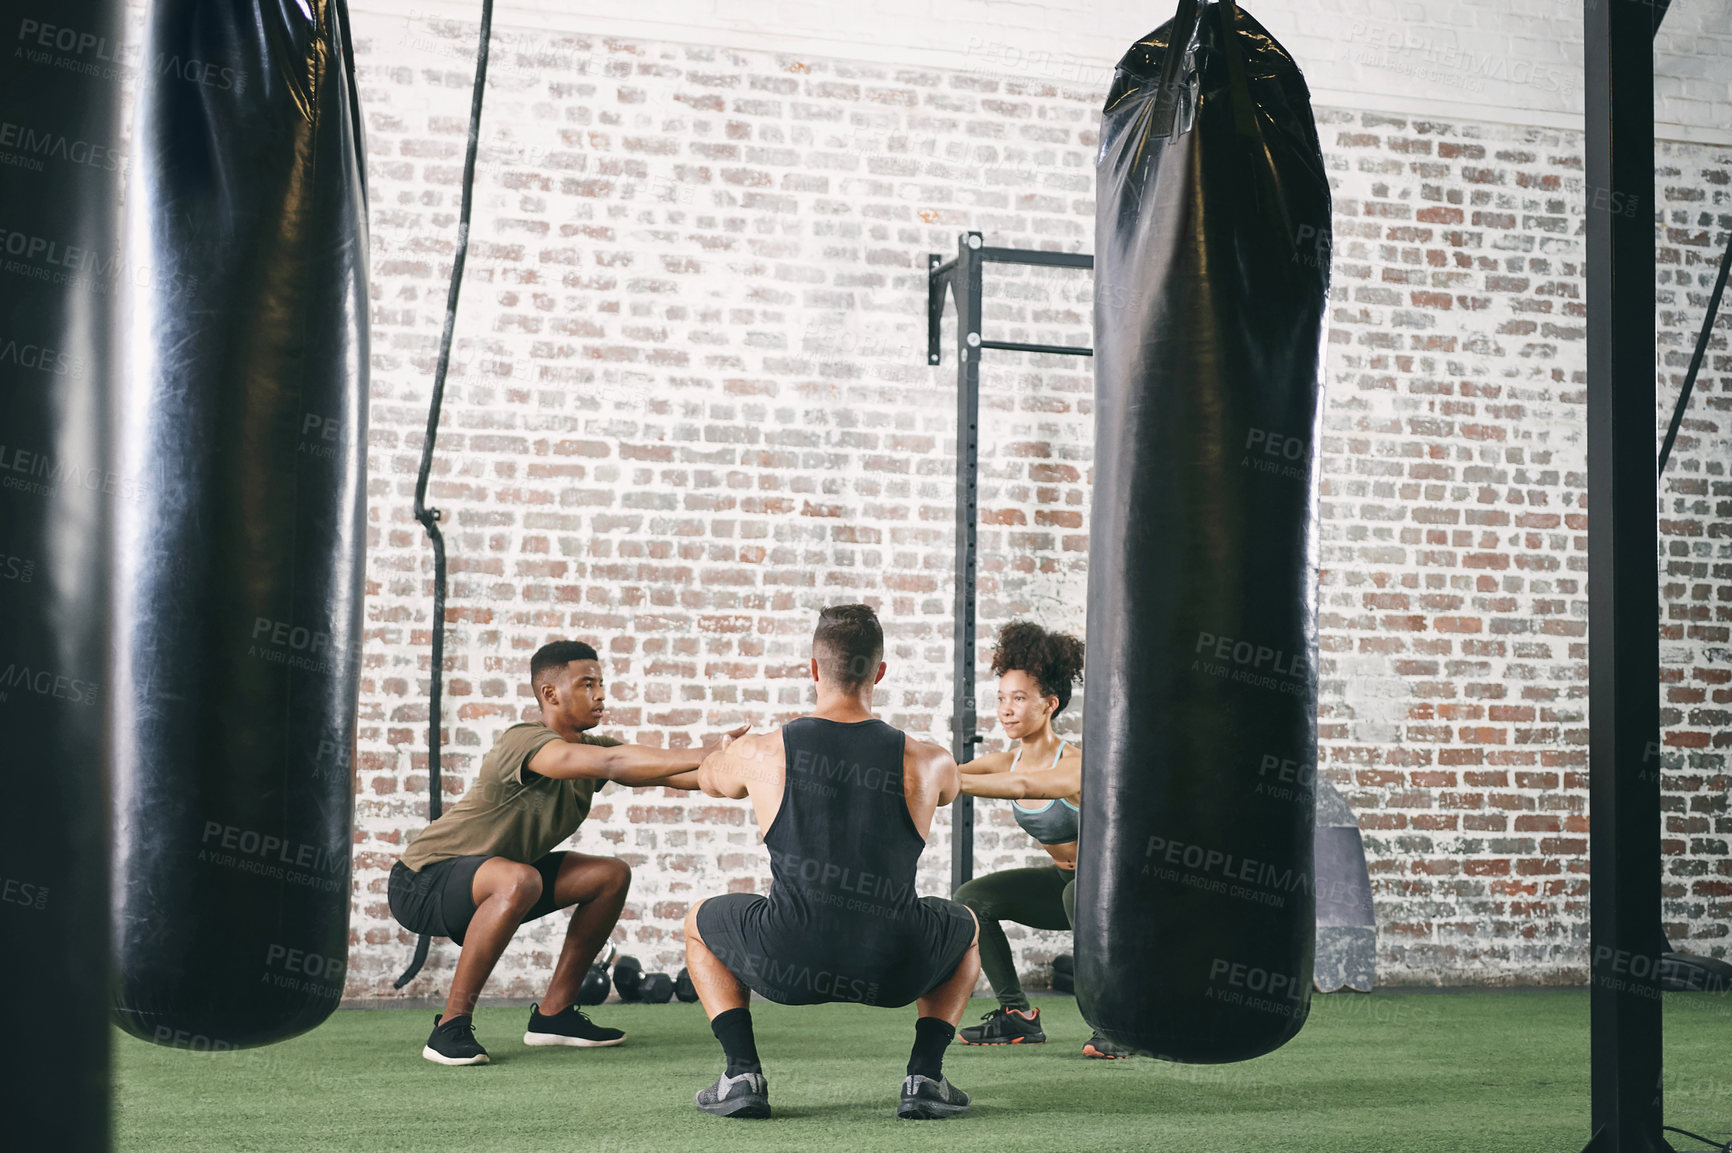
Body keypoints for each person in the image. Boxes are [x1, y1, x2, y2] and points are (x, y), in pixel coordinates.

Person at [682, 604, 982, 1120]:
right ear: (879, 672)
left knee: (697, 923)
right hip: (894, 965)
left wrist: (724, 752)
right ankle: (925, 1077)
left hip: (788, 958)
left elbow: (711, 778)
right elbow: (951, 789)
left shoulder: (761, 751)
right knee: (967, 927)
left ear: (814, 668)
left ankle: (741, 1074)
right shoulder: (930, 760)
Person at [388, 639, 745, 1066]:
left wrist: (742, 769)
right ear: (550, 694)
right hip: (423, 880)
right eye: (587, 684)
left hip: (497, 878)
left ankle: (554, 1016)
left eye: (601, 683)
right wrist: (705, 750)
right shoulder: (524, 741)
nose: (600, 694)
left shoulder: (595, 749)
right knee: (521, 878)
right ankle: (449, 1027)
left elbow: (675, 773)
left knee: (609, 876)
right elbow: (614, 764)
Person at [954, 620, 1130, 1058]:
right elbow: (949, 773)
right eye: (1000, 699)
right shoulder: (1005, 758)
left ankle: (1117, 1024)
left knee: (1076, 894)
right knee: (973, 898)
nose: (1006, 709)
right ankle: (1016, 1016)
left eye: (1018, 699)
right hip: (1064, 883)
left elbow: (1024, 787)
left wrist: (952, 782)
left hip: (1114, 893)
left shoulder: (1074, 765)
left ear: (1049, 704)